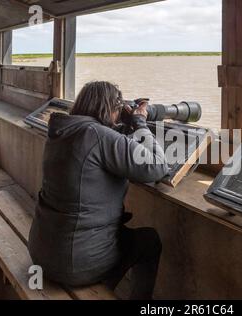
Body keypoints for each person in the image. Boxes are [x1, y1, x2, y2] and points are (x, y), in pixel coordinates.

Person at [28, 81, 169, 300]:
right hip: (74, 264)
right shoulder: (98, 136)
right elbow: (157, 167)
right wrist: (140, 123)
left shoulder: (62, 131)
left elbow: (102, 148)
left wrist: (122, 127)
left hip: (41, 251)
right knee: (149, 241)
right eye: (118, 107)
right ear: (109, 108)